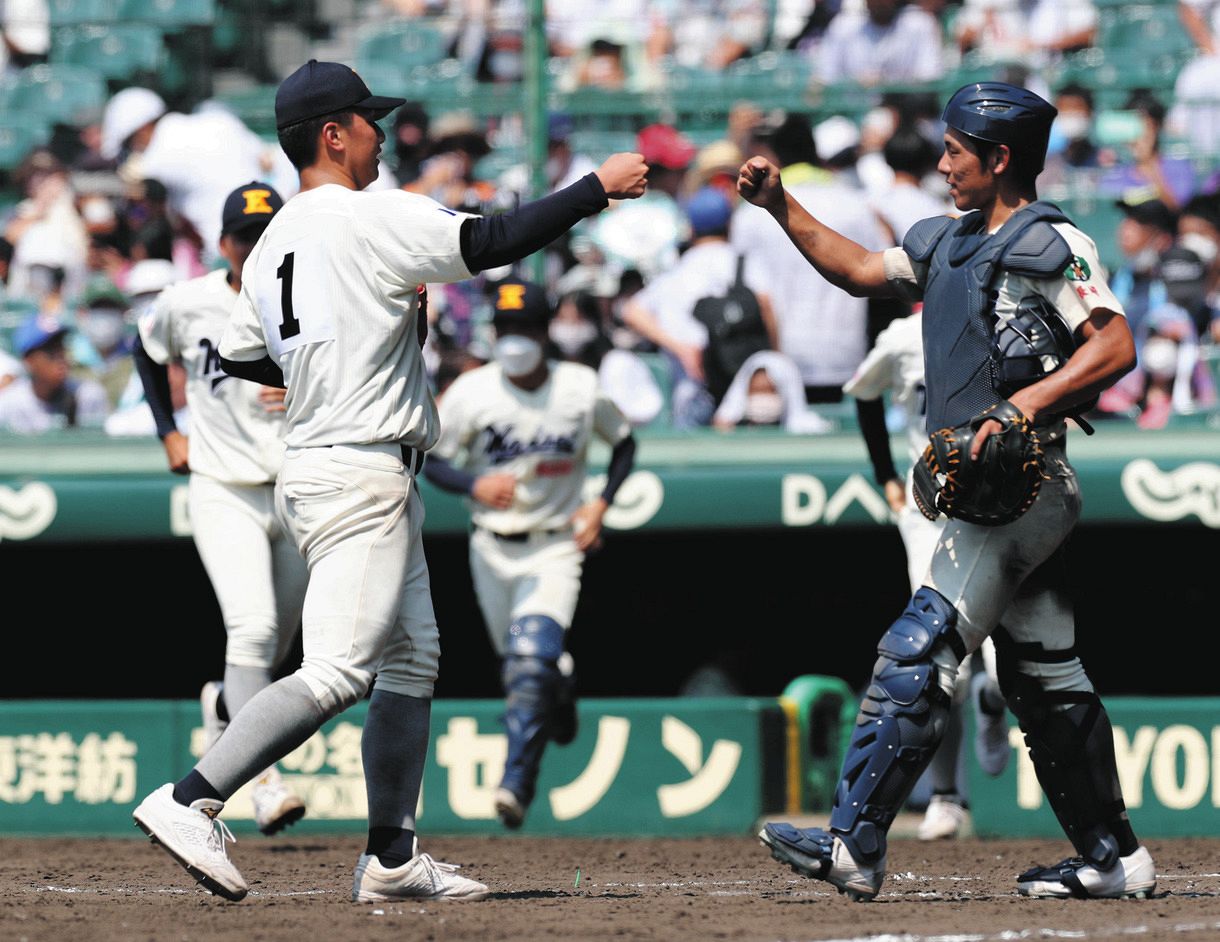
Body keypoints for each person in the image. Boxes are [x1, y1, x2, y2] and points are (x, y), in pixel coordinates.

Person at [130, 58, 648, 904]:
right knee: (337, 668)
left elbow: (243, 355)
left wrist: (361, 325)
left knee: (413, 662)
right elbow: (492, 242)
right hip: (360, 463)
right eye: (368, 120)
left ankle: (393, 857)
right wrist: (594, 186)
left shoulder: (275, 243)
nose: (383, 131)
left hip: (332, 461)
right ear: (332, 135)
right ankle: (191, 798)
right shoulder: (368, 214)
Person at [742, 81, 1155, 901]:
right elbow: (860, 269)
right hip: (989, 491)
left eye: (957, 152)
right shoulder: (950, 240)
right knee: (1046, 681)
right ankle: (1115, 859)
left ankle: (855, 845)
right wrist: (781, 205)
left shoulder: (1052, 240)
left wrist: (1023, 403)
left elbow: (1115, 345)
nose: (942, 164)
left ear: (998, 157)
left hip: (1023, 487)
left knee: (917, 653)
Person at [421, 278, 637, 830]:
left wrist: (600, 506)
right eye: (506, 329)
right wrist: (473, 485)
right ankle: (558, 691)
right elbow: (434, 459)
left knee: (529, 660)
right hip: (492, 546)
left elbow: (625, 443)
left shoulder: (580, 386)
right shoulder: (473, 390)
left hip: (556, 544)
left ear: (545, 332)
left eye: (525, 329)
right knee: (524, 670)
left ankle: (515, 782)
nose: (514, 339)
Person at [133, 181, 310, 837]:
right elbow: (146, 352)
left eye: (266, 233)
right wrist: (168, 431)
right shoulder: (189, 301)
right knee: (255, 631)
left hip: (296, 485)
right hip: (222, 484)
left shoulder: (308, 299)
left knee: (279, 655)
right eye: (245, 236)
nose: (255, 245)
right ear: (224, 243)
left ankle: (223, 715)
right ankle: (261, 783)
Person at [841, 309, 1010, 842]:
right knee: (937, 660)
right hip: (928, 511)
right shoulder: (901, 334)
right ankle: (945, 796)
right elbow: (864, 393)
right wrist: (885, 475)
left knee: (1005, 669)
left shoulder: (1002, 316)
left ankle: (994, 703)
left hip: (1000, 505)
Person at [0, 313, 110, 432]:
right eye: (50, 351)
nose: (60, 358)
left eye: (61, 349)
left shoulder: (89, 396)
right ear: (29, 361)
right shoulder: (9, 403)